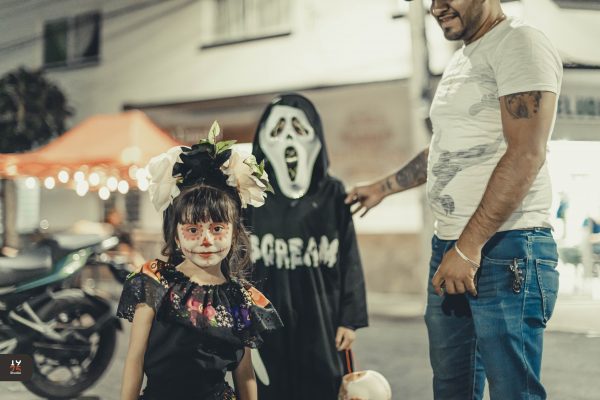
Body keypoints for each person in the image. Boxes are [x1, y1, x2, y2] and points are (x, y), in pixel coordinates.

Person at [345, 0, 562, 398]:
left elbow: (526, 153)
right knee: (451, 389)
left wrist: (468, 248)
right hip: (452, 246)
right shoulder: (463, 59)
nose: (437, 7)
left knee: (514, 392)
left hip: (505, 246)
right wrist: (383, 187)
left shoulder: (519, 44)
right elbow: (448, 151)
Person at [117, 123, 282, 400]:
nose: (206, 240)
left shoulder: (241, 299)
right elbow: (135, 358)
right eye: (193, 229)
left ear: (234, 234)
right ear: (176, 236)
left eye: (217, 229)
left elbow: (244, 372)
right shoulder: (154, 282)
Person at [245, 93, 368, 400]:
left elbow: (349, 256)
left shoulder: (332, 192)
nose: (289, 138)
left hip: (322, 314)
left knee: (322, 384)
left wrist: (349, 319)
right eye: (278, 129)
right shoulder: (252, 195)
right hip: (265, 315)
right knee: (271, 388)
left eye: (299, 128)